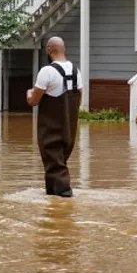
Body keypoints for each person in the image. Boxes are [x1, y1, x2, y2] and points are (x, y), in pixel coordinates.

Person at [26, 37, 81, 198]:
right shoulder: (76, 71)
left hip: (51, 128)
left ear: (49, 50)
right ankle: (52, 199)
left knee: (55, 164)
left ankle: (64, 197)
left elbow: (34, 101)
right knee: (57, 163)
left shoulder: (47, 71)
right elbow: (79, 97)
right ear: (63, 49)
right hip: (70, 128)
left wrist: (29, 93)